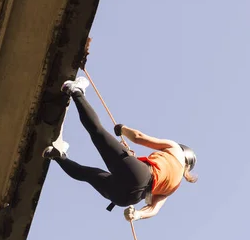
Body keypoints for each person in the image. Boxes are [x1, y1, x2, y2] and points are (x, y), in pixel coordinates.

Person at [43, 76, 198, 222]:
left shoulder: (175, 149)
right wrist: (137, 215)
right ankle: (56, 156)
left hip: (139, 174)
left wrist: (123, 129)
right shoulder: (173, 187)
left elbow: (138, 137)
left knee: (98, 132)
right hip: (127, 198)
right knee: (87, 174)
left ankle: (75, 91)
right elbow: (153, 208)